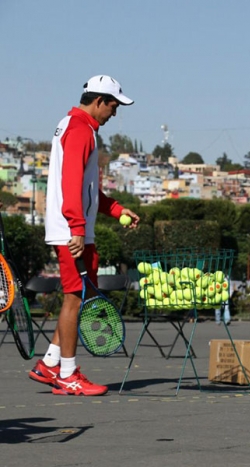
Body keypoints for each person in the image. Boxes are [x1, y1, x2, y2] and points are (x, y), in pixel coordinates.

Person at [29, 75, 139, 396]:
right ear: (99, 101)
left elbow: (87, 189)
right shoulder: (80, 130)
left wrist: (118, 210)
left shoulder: (75, 126)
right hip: (71, 232)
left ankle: (50, 363)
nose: (114, 114)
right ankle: (67, 375)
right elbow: (70, 183)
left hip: (74, 230)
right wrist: (76, 228)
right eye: (114, 106)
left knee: (79, 298)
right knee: (74, 299)